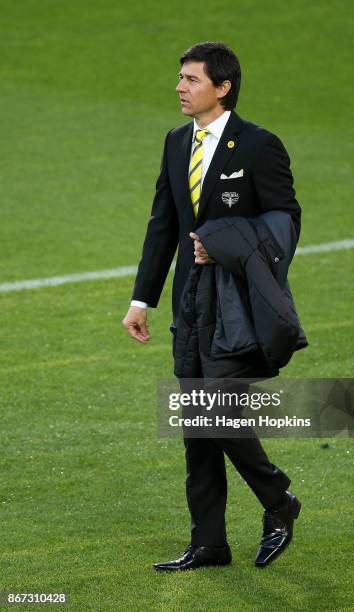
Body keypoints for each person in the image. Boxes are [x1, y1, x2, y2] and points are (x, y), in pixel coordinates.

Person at [122, 41, 302, 571]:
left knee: (217, 410)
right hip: (190, 302)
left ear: (222, 88)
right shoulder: (177, 142)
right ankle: (208, 543)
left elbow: (285, 221)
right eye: (180, 78)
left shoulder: (259, 145)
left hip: (237, 303)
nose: (180, 87)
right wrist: (141, 298)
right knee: (197, 426)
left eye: (192, 79)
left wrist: (224, 242)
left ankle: (278, 500)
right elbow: (164, 225)